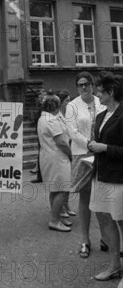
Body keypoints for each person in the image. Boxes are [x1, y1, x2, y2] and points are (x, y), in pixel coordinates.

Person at [87, 72, 123, 288]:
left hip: (119, 179)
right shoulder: (101, 116)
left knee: (121, 221)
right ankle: (114, 266)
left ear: (111, 92)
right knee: (105, 221)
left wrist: (105, 148)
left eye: (100, 90)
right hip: (100, 177)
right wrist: (93, 146)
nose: (97, 93)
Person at [65, 71, 104, 258]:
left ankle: (106, 236)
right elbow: (72, 132)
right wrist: (89, 144)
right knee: (85, 197)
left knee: (104, 195)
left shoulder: (100, 101)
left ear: (92, 84)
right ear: (76, 87)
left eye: (86, 84)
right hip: (82, 154)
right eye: (80, 85)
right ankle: (85, 239)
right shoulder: (72, 106)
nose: (83, 87)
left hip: (102, 152)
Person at [37, 94, 73, 232]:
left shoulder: (43, 118)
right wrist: (71, 154)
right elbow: (61, 142)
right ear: (56, 106)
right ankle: (55, 220)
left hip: (48, 157)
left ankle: (56, 216)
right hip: (57, 158)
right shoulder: (51, 120)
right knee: (62, 190)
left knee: (54, 189)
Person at [57, 90, 77, 219]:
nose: (69, 103)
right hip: (62, 152)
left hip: (72, 147)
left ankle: (66, 205)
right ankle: (60, 207)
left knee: (68, 181)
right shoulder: (56, 115)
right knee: (62, 182)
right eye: (67, 101)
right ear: (61, 102)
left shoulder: (70, 114)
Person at [30, 89, 48, 183]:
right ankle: (40, 175)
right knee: (41, 153)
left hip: (45, 132)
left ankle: (42, 175)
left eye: (44, 96)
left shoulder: (46, 107)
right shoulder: (40, 106)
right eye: (40, 96)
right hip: (40, 131)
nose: (42, 98)